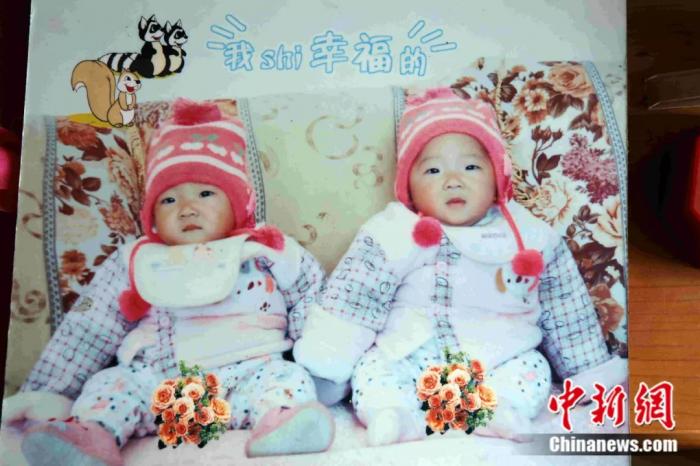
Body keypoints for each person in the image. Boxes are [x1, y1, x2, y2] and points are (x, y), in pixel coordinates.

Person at [3, 99, 334, 464]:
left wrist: (322, 367)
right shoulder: (136, 260)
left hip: (249, 377)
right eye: (169, 199)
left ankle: (280, 424)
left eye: (206, 193)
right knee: (112, 385)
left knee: (287, 379)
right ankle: (93, 436)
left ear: (239, 204)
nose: (187, 208)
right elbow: (89, 329)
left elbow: (312, 297)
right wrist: (48, 392)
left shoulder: (265, 249)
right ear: (153, 216)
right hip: (160, 387)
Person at [293, 87, 627, 446]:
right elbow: (357, 296)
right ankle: (394, 415)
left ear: (497, 177)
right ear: (409, 187)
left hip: (499, 356)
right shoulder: (395, 230)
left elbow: (565, 308)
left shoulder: (529, 236)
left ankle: (497, 410)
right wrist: (327, 361)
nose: (453, 180)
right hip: (411, 354)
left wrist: (589, 371)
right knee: (374, 370)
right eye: (433, 170)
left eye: (471, 166)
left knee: (532, 370)